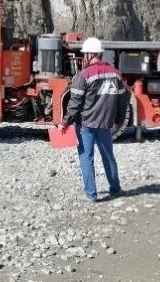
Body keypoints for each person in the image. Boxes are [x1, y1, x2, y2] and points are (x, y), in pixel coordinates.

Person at [60, 37, 126, 202]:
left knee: (86, 157)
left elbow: (74, 103)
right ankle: (116, 189)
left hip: (86, 125)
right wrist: (119, 119)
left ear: (89, 54)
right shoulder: (115, 73)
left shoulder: (83, 75)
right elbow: (123, 98)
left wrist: (65, 122)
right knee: (108, 156)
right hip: (105, 124)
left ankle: (91, 194)